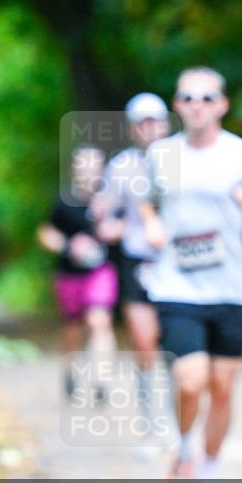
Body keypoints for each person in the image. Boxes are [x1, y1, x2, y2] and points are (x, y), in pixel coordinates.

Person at [140, 66, 242, 483]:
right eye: (188, 97)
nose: (197, 105)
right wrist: (151, 224)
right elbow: (146, 199)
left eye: (207, 98)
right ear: (177, 105)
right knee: (191, 380)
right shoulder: (161, 154)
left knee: (222, 389)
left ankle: (206, 472)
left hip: (230, 289)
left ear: (223, 105)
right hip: (176, 285)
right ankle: (185, 446)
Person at [102, 93, 172, 447]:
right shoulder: (119, 167)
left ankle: (175, 422)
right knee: (144, 344)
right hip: (136, 261)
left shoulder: (181, 160)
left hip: (175, 262)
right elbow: (105, 214)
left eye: (155, 121)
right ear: (133, 128)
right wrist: (106, 228)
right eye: (143, 122)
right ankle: (150, 424)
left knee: (176, 341)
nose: (150, 128)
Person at [38, 145, 121, 398]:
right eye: (83, 166)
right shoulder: (64, 200)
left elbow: (125, 226)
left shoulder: (110, 199)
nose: (89, 171)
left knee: (100, 320)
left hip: (100, 271)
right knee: (72, 330)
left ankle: (101, 380)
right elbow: (46, 232)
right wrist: (67, 245)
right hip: (69, 275)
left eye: (94, 165)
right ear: (75, 169)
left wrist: (108, 228)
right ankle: (70, 371)